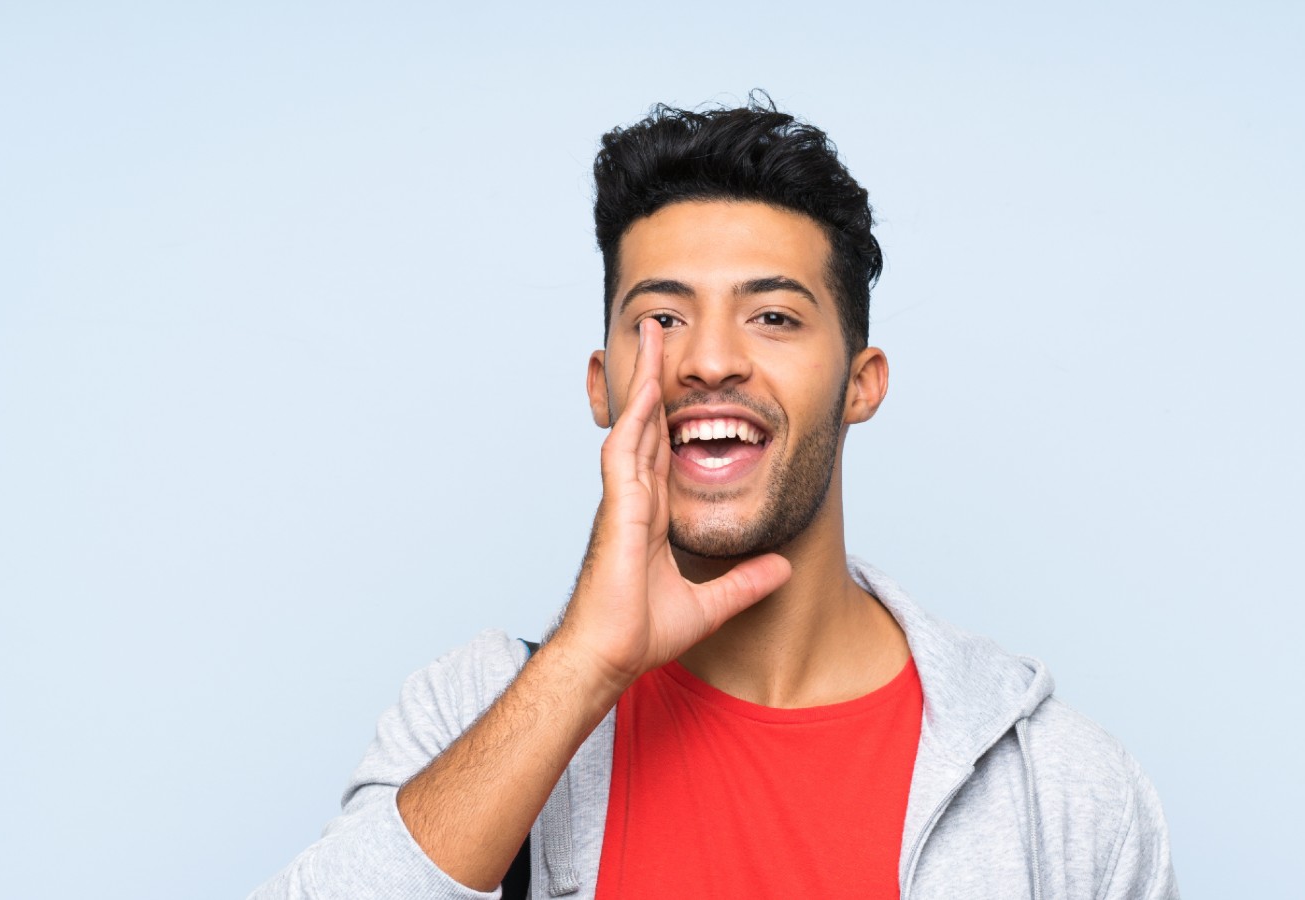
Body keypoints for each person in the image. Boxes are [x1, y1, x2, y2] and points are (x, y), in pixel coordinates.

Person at [252, 96, 1177, 899]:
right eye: (661, 318)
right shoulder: (476, 711)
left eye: (773, 316)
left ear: (862, 383)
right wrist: (585, 663)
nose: (708, 359)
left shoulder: (1059, 786)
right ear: (600, 385)